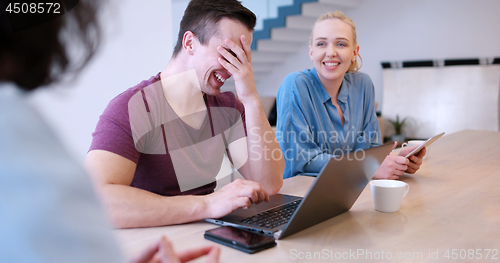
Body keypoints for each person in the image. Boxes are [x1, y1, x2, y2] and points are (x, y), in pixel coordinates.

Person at [0, 0, 219, 262]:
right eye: (227, 50)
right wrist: (206, 205)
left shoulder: (225, 104)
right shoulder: (14, 131)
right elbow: (101, 200)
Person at [84, 0, 284, 229]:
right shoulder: (135, 107)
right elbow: (95, 200)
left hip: (206, 238)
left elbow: (269, 184)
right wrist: (207, 204)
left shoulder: (229, 108)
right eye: (228, 53)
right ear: (189, 43)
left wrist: (250, 98)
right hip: (154, 245)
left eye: (241, 57)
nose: (234, 68)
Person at [276, 11, 425, 179]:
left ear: (355, 51)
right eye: (321, 44)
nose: (330, 52)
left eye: (340, 44)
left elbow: (371, 150)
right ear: (311, 52)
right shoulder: (295, 85)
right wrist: (367, 168)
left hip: (352, 189)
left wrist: (394, 160)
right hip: (300, 193)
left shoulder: (363, 85)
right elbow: (301, 161)